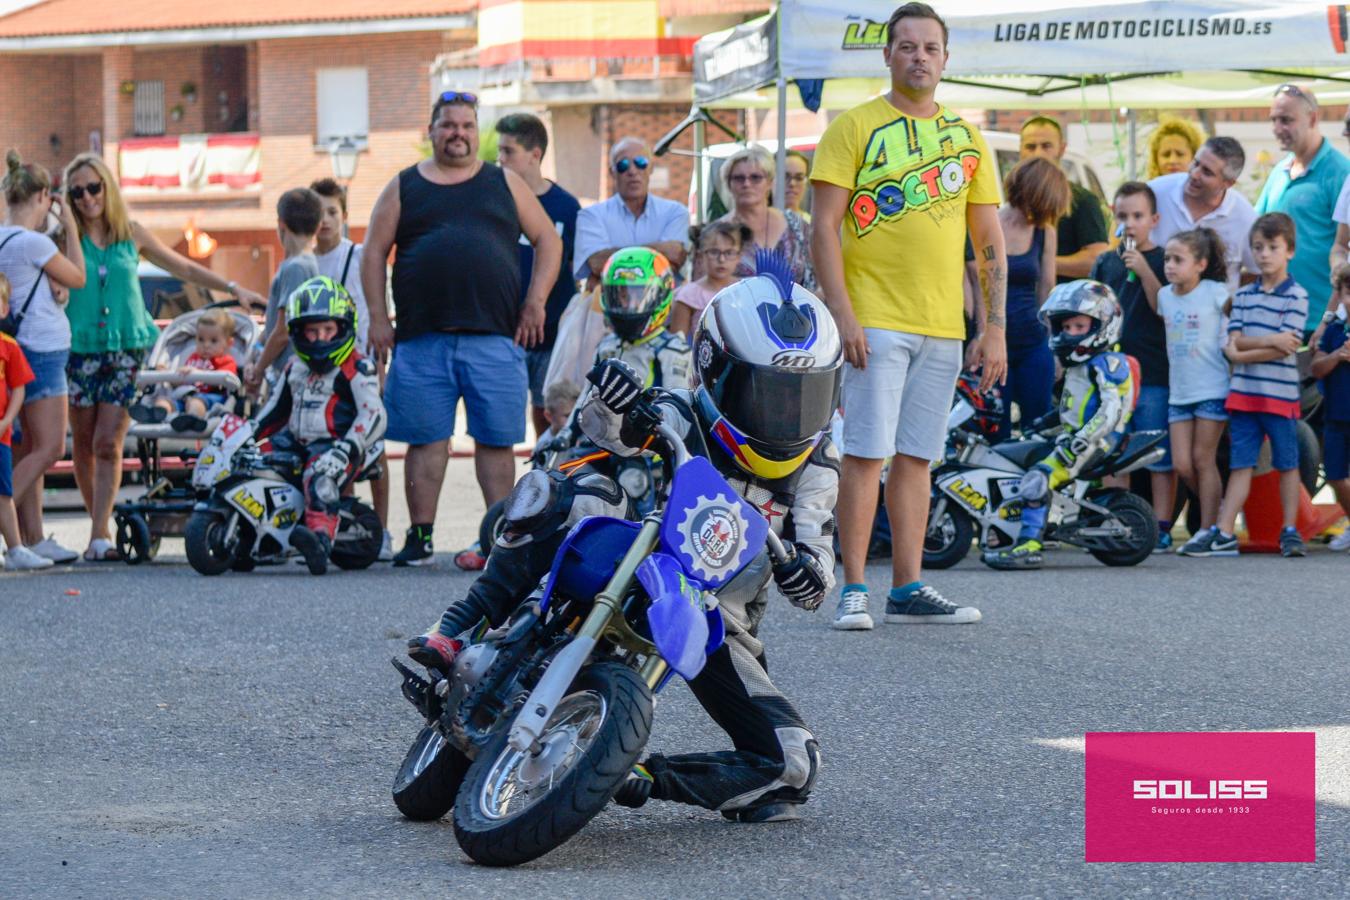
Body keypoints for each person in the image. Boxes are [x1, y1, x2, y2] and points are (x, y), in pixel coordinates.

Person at [408, 257, 841, 823]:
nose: (787, 413)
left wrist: (807, 572)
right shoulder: (683, 411)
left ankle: (633, 773)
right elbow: (604, 430)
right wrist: (618, 401)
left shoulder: (819, 467)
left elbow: (818, 568)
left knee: (794, 763)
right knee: (561, 490)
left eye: (803, 395)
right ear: (714, 367)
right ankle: (458, 624)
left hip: (714, 615)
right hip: (632, 553)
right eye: (771, 392)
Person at [810, 2, 1002, 629]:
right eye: (908, 46)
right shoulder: (854, 126)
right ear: (888, 55)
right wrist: (844, 314)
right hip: (874, 318)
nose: (919, 56)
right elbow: (823, 230)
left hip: (943, 324)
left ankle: (909, 586)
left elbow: (989, 241)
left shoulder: (969, 139)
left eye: (931, 47)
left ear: (946, 58)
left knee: (918, 455)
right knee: (866, 452)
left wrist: (993, 326)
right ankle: (855, 588)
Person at [362, 91, 562, 568]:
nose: (458, 133)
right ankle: (421, 536)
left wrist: (535, 302)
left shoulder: (505, 182)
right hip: (420, 338)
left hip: (495, 337)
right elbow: (373, 252)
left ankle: (501, 536)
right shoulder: (404, 186)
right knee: (425, 441)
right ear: (430, 131)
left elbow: (548, 241)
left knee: (496, 442)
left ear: (478, 133)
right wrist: (376, 316)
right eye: (448, 125)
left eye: (467, 126)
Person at [62, 152, 264, 561]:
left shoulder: (130, 233)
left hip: (127, 347)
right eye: (77, 191)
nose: (86, 198)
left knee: (107, 442)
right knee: (81, 443)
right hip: (78, 347)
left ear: (107, 188)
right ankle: (98, 527)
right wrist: (61, 222)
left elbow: (184, 267)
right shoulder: (66, 236)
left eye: (93, 187)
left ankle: (98, 534)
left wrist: (234, 288)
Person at [984, 281, 1135, 569]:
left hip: (1097, 442)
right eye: (1066, 327)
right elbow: (1070, 409)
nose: (1070, 333)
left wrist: (1082, 440)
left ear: (1103, 325)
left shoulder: (1107, 363)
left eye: (1079, 326)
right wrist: (1042, 424)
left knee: (1038, 478)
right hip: (1074, 437)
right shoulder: (1079, 366)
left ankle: (1029, 545)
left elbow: (1110, 410)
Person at [1191, 214, 1309, 558]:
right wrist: (1265, 343)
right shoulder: (1243, 295)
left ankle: (1290, 530)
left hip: (1280, 395)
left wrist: (1244, 352)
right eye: (1258, 247)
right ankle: (1225, 531)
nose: (1264, 254)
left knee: (1288, 463)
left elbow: (1288, 345)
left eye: (1273, 247)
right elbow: (1235, 341)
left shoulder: (1297, 295)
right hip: (1244, 397)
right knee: (1241, 463)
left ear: (1289, 251)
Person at [252, 276, 385, 575]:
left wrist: (348, 447)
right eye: (312, 331)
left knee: (320, 475)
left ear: (343, 327)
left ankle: (319, 542)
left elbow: (374, 413)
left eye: (328, 329)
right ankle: (253, 536)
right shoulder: (294, 366)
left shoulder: (357, 365)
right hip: (296, 441)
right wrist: (247, 434)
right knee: (252, 463)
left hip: (337, 444)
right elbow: (275, 410)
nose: (321, 338)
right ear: (299, 331)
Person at [0, 149, 86, 565]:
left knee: (27, 447)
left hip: (15, 349)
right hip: (45, 350)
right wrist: (68, 223)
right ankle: (9, 522)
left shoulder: (2, 238)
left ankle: (30, 539)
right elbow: (80, 277)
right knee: (50, 447)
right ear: (43, 197)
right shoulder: (34, 241)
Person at [309, 177, 393, 561]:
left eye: (332, 211)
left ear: (344, 215)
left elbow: (370, 312)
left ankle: (382, 528)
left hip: (357, 364)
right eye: (317, 212)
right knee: (331, 448)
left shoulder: (356, 256)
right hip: (320, 374)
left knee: (372, 450)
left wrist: (377, 362)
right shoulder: (305, 260)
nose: (324, 220)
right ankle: (340, 524)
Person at [1090, 182, 1173, 550]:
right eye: (1123, 216)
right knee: (1112, 449)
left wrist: (1143, 270)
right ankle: (1115, 520)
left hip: (1153, 370)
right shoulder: (1106, 262)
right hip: (1112, 375)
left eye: (1138, 216)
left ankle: (1163, 524)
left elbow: (1163, 308)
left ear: (1153, 219)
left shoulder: (1163, 260)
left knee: (1156, 450)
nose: (1130, 224)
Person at [495, 113, 581, 439]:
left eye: (508, 151)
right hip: (504, 330)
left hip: (550, 332)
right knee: (505, 418)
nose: (500, 159)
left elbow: (576, 269)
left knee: (548, 410)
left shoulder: (566, 207)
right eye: (498, 152)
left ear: (535, 154)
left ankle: (549, 473)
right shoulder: (495, 201)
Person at [1155, 229, 1231, 554]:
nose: (1170, 266)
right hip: (1180, 391)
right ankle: (1221, 514)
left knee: (1203, 459)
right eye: (1167, 259)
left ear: (1200, 264)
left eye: (1178, 260)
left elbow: (1238, 321)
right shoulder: (1164, 296)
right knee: (1182, 464)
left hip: (1212, 386)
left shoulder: (1217, 292)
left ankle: (1208, 528)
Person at [1256, 84, 1350, 327]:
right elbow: (1256, 226)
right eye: (1274, 120)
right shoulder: (1279, 171)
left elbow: (1342, 246)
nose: (1277, 129)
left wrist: (1329, 318)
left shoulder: (1340, 172)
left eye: (1286, 120)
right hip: (1277, 315)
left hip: (1320, 318)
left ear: (1313, 118)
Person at [994, 156, 1069, 439]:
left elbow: (1047, 288)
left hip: (1032, 342)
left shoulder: (1044, 232)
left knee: (1037, 428)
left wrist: (1055, 349)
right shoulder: (991, 222)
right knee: (994, 429)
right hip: (995, 342)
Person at [1149, 135, 1257, 297]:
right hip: (1151, 315)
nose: (1194, 174)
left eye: (1207, 172)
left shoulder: (1245, 218)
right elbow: (1124, 239)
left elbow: (1258, 272)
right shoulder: (1156, 192)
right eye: (1195, 163)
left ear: (1228, 183)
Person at [574, 138, 688, 288]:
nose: (632, 171)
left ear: (651, 167)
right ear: (612, 172)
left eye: (640, 162)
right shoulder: (591, 216)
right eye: (623, 165)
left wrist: (615, 261)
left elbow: (674, 258)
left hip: (666, 308)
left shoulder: (676, 212)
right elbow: (597, 263)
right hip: (608, 308)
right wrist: (659, 252)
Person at [244, 188, 323, 387]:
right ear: (318, 226)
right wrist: (255, 351)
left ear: (281, 224)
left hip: (290, 375)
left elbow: (282, 331)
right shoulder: (305, 264)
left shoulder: (296, 268)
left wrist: (258, 368)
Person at [1018, 115, 1109, 282]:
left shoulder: (1082, 201)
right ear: (1020, 150)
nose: (1038, 153)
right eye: (1030, 147)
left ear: (1061, 149)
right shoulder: (1013, 201)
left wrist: (1042, 262)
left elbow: (1097, 259)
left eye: (1046, 146)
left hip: (1064, 302)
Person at [0, 273, 50, 570]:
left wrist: (7, 419)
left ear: (5, 308)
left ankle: (16, 548)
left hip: (2, 434)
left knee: (4, 493)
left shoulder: (9, 346)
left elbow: (18, 388)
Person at [717, 146, 815, 290]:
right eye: (739, 178)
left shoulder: (797, 226)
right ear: (728, 183)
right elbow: (701, 292)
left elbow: (823, 278)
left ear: (770, 182)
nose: (747, 184)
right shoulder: (715, 233)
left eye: (755, 177)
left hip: (797, 311)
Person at [594, 247, 691, 391]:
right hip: (604, 413)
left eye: (639, 296)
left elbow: (679, 408)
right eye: (623, 296)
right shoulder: (606, 346)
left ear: (662, 296)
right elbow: (583, 403)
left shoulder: (673, 350)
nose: (628, 305)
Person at [131, 308, 237, 430]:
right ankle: (154, 415)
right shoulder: (193, 358)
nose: (206, 345)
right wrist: (167, 374)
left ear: (228, 343)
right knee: (163, 400)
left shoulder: (226, 361)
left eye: (213, 341)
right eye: (201, 339)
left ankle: (192, 419)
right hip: (184, 396)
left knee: (196, 402)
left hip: (210, 398)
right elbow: (181, 383)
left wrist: (199, 373)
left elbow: (226, 380)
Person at [1311, 263, 1350, 552]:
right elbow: (1316, 367)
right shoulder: (1335, 330)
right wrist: (1338, 355)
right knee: (1335, 475)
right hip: (1337, 416)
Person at [670, 221, 749, 339]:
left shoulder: (748, 290)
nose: (721, 259)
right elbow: (676, 347)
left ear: (739, 256)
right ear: (701, 256)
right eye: (714, 252)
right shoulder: (688, 296)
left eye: (729, 253)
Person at [536, 378, 579, 448]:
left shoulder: (583, 436)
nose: (574, 420)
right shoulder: (544, 445)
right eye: (567, 416)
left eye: (576, 415)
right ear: (549, 416)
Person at [783, 149, 812, 222]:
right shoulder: (757, 221)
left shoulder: (812, 225)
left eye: (799, 178)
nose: (792, 183)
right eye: (785, 176)